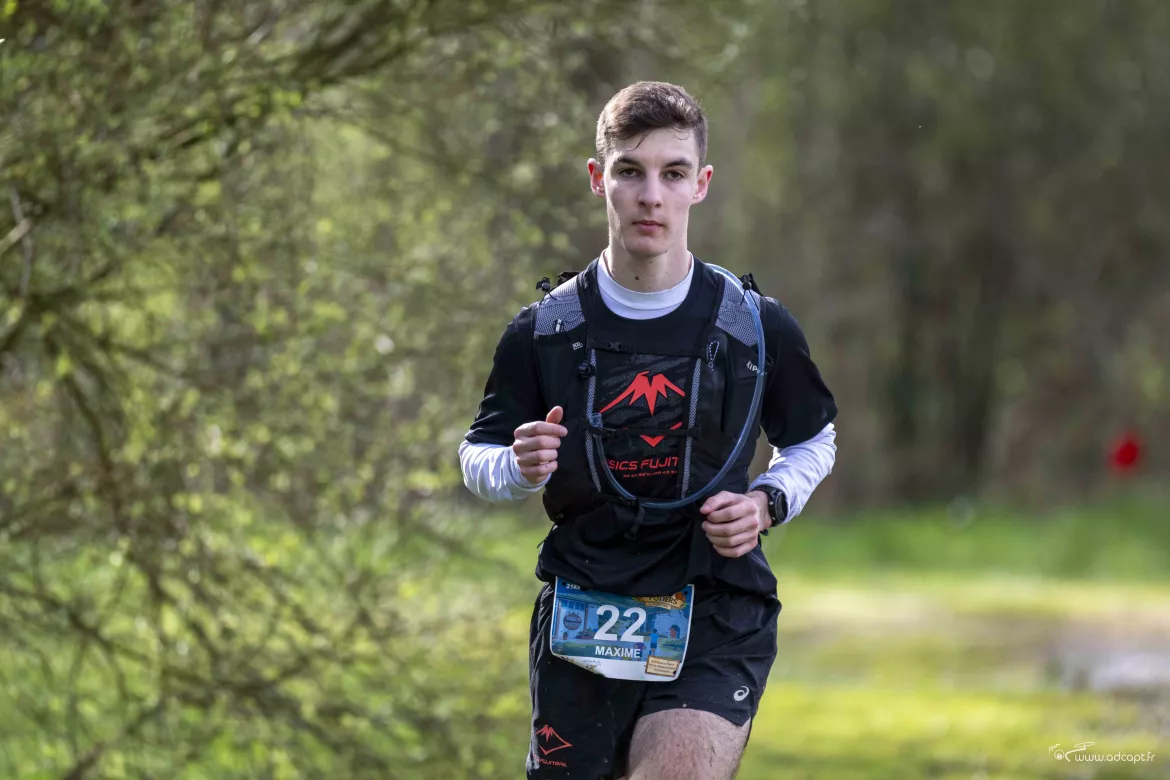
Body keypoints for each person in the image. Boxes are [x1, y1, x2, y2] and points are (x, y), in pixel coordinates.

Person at [460, 81, 837, 780]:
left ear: (701, 184)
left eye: (673, 173)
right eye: (630, 171)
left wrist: (766, 502)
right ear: (598, 177)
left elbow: (813, 438)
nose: (651, 196)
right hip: (584, 612)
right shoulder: (544, 330)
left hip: (715, 604)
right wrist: (517, 465)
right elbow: (477, 454)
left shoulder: (755, 325)